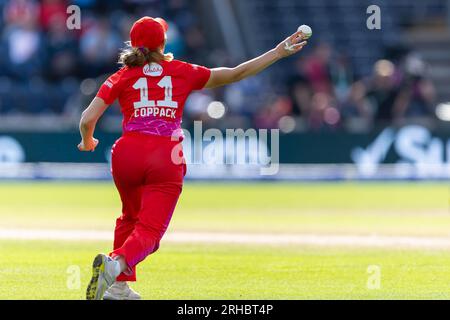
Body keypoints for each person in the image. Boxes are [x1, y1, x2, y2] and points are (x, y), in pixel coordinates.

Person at [78, 16, 308, 300]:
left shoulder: (121, 76)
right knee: (150, 231)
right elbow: (236, 73)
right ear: (163, 42)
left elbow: (88, 118)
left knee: (129, 218)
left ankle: (118, 288)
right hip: (165, 154)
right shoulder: (182, 71)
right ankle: (115, 266)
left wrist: (87, 141)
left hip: (126, 154)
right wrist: (278, 51)